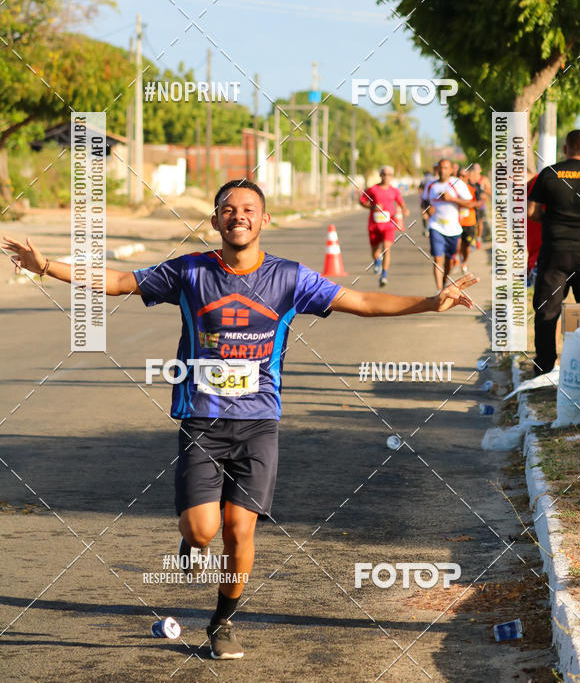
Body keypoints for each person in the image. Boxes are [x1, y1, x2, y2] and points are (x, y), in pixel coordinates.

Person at [3, 179, 477, 661]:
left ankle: (222, 622)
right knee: (201, 530)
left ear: (264, 219)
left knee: (239, 529)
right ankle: (192, 543)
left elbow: (363, 303)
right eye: (227, 208)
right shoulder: (190, 271)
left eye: (249, 208)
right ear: (214, 221)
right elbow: (120, 281)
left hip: (259, 423)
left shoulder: (290, 278)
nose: (238, 215)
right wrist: (47, 267)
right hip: (201, 421)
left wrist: (429, 302)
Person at [527, 130, 580, 373]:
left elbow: (532, 212)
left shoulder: (549, 174)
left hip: (555, 252)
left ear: (565, 149)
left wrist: (551, 219)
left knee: (547, 310)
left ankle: (545, 366)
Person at [424, 159, 478, 290]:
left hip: (453, 229)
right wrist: (427, 210)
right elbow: (424, 202)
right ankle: (439, 290)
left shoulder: (457, 184)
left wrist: (452, 199)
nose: (442, 171)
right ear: (437, 169)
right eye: (440, 168)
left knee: (449, 260)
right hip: (435, 226)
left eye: (446, 168)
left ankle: (444, 281)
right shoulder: (431, 186)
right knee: (437, 259)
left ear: (450, 170)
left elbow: (470, 203)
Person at [359, 166, 410, 287]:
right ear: (380, 175)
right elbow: (361, 201)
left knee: (386, 249)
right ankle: (377, 261)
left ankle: (384, 275)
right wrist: (372, 207)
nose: (386, 177)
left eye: (389, 174)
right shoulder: (373, 189)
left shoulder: (394, 191)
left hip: (388, 225)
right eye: (384, 174)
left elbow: (401, 202)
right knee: (375, 251)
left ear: (392, 177)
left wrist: (405, 209)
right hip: (374, 225)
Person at [419, 164, 438, 236]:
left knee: (432, 215)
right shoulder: (428, 177)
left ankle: (432, 229)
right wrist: (423, 193)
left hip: (436, 201)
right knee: (424, 214)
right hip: (426, 200)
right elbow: (420, 187)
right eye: (435, 168)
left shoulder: (443, 178)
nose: (436, 170)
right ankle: (425, 229)